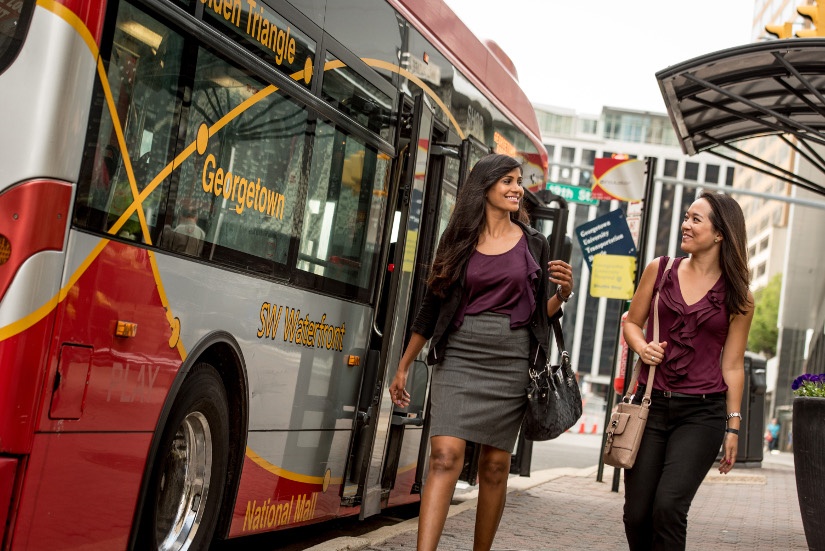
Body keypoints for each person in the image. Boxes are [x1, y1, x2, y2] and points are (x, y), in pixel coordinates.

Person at [388, 153, 574, 551]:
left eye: (518, 181)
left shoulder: (534, 243)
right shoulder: (456, 239)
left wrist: (563, 295)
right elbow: (431, 305)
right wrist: (404, 365)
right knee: (444, 456)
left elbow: (538, 313)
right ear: (484, 186)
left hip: (511, 360)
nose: (515, 188)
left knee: (494, 466)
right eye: (507, 180)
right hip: (459, 354)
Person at [621, 191, 755, 551]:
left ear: (720, 233)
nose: (685, 225)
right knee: (636, 514)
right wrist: (642, 346)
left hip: (702, 414)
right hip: (649, 408)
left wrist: (734, 426)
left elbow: (732, 364)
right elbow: (631, 322)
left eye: (696, 219)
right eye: (686, 216)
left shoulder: (739, 295)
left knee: (668, 508)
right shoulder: (660, 269)